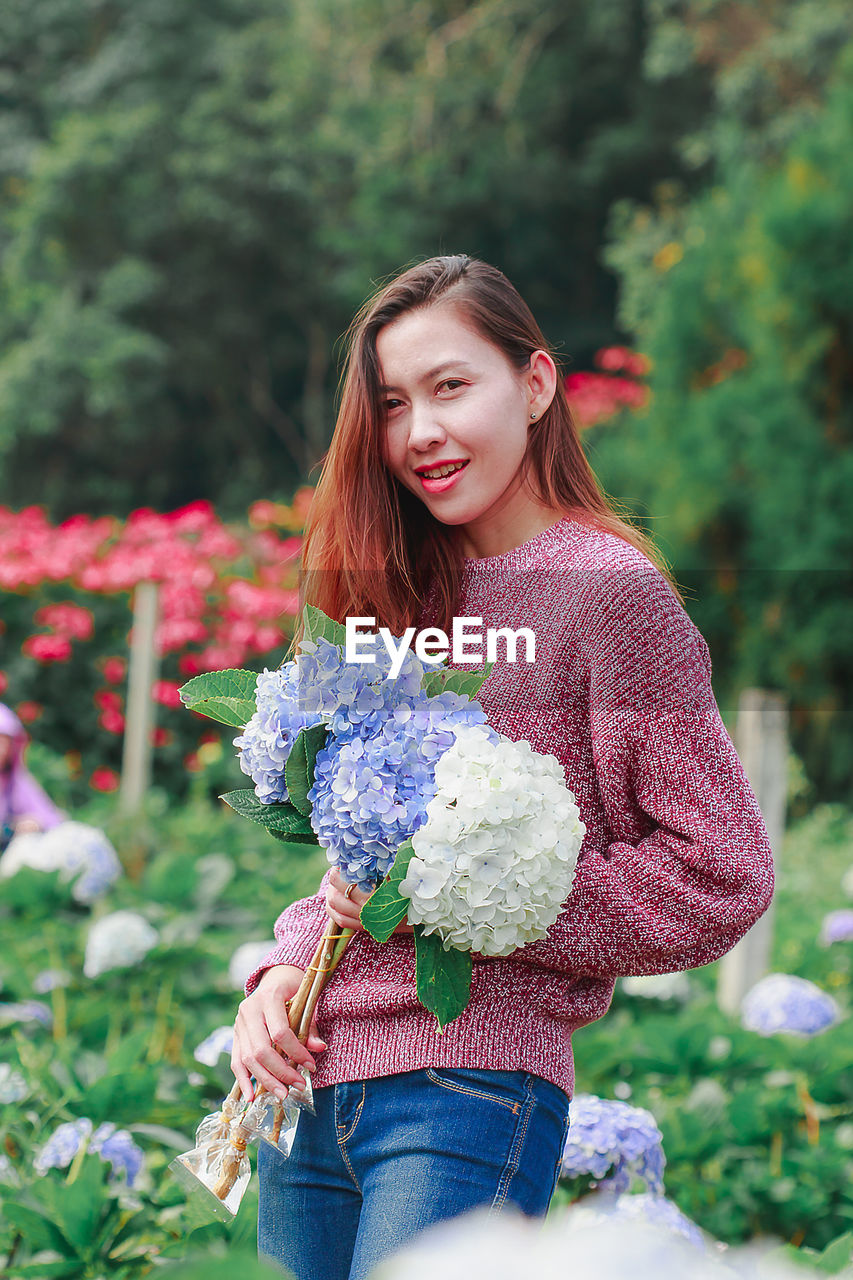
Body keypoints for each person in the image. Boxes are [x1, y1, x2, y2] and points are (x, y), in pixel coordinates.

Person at [231, 255, 775, 1280]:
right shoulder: (399, 591)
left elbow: (722, 869)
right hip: (307, 1090)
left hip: (467, 1090)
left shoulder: (609, 596)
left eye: (449, 387)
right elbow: (363, 867)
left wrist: (476, 895)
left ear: (534, 385)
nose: (419, 431)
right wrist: (277, 971)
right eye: (392, 403)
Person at [0, 702, 65, 851]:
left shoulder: (15, 781)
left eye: (6, 743)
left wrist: (33, 823)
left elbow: (53, 818)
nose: (2, 750)